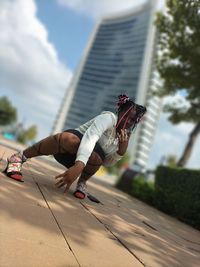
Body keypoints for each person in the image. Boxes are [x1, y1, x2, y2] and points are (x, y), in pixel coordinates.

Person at [5, 94, 146, 199]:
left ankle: (82, 183)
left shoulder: (123, 136)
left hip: (85, 161)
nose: (129, 122)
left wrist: (121, 151)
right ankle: (19, 157)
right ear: (120, 111)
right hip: (67, 149)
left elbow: (106, 163)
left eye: (134, 120)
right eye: (128, 116)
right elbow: (91, 137)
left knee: (98, 157)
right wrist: (79, 165)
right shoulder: (109, 118)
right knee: (70, 139)